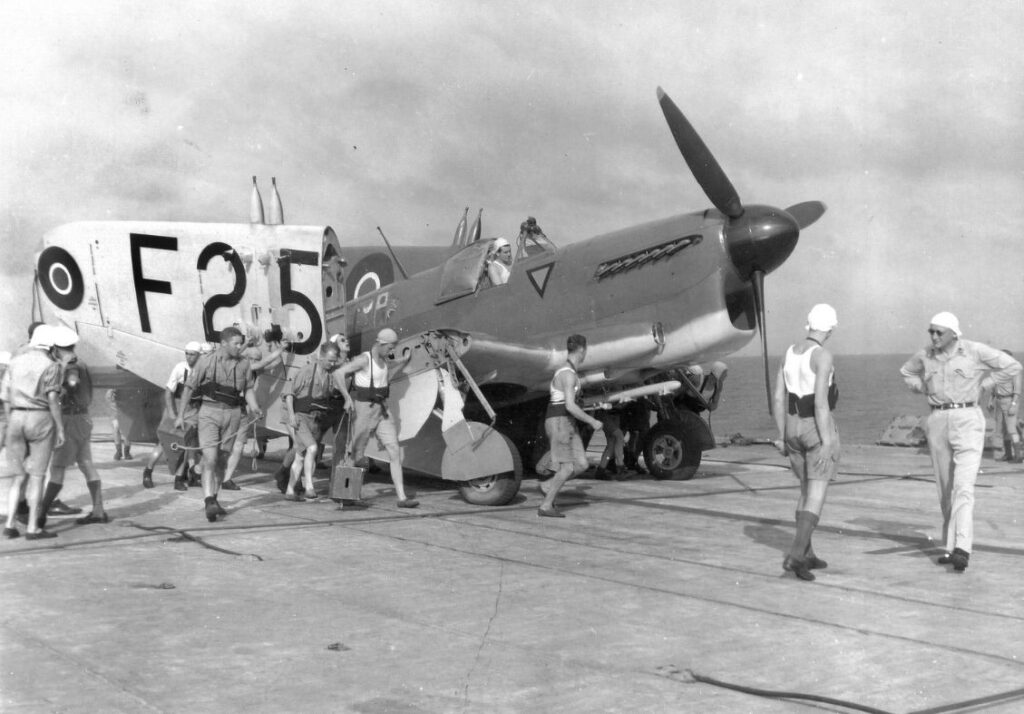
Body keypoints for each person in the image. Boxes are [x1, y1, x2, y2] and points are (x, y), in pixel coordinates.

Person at [900, 312, 1021, 572]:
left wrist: (987, 383)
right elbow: (906, 372)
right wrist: (919, 386)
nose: (933, 336)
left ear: (954, 334)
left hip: (968, 418)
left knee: (963, 486)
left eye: (938, 332)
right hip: (937, 420)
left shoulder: (974, 351)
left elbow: (1012, 366)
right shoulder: (925, 355)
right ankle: (949, 546)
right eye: (930, 331)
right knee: (945, 489)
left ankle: (962, 549)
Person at [773, 304, 840, 582]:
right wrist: (827, 441)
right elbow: (822, 404)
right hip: (814, 425)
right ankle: (796, 555)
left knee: (804, 490)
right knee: (816, 493)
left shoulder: (788, 353)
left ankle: (808, 554)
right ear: (831, 329)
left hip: (791, 426)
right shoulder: (822, 355)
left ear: (809, 324)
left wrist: (781, 435)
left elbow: (778, 397)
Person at [177, 326, 263, 522]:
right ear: (224, 343)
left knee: (223, 460)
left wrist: (255, 407)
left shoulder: (244, 365)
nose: (240, 346)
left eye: (241, 343)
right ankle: (208, 501)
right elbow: (189, 388)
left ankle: (214, 498)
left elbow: (248, 389)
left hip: (233, 414)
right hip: (209, 413)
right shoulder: (205, 362)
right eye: (237, 343)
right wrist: (181, 415)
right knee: (210, 458)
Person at [335, 328, 418, 508]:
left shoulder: (385, 360)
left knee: (394, 450)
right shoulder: (364, 360)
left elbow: (390, 366)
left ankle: (402, 498)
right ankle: (345, 495)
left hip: (382, 409)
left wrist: (403, 360)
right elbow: (338, 373)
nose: (391, 351)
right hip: (364, 409)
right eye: (390, 347)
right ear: (380, 344)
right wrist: (347, 398)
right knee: (356, 453)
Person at [2, 325, 67, 539]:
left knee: (18, 476)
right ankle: (32, 528)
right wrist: (59, 427)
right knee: (38, 476)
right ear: (51, 344)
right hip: (40, 418)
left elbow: (5, 396)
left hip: (16, 417)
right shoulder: (52, 365)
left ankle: (10, 525)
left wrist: (12, 418)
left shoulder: (14, 361)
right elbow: (52, 399)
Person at [38, 329, 109, 527]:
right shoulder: (81, 361)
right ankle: (98, 511)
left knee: (58, 467)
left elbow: (72, 381)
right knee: (86, 463)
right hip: (83, 418)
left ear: (57, 348)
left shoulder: (70, 364)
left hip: (70, 419)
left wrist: (62, 389)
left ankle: (41, 513)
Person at [537, 334, 603, 518]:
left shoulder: (570, 372)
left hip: (567, 421)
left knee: (581, 464)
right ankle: (546, 506)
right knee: (567, 468)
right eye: (586, 350)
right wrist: (592, 421)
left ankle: (548, 485)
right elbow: (570, 405)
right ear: (582, 350)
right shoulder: (567, 374)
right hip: (560, 421)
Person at [220, 336, 288, 490]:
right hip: (229, 409)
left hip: (241, 409)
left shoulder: (245, 366)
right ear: (246, 358)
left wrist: (277, 347)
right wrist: (281, 349)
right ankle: (209, 472)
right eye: (252, 358)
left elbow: (273, 363)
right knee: (227, 445)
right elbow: (265, 362)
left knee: (238, 445)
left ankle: (226, 478)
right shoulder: (242, 366)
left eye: (256, 358)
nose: (254, 361)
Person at [282, 342, 343, 501]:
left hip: (316, 419)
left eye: (334, 361)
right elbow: (289, 394)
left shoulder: (330, 376)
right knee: (313, 447)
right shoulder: (307, 371)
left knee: (301, 456)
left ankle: (289, 490)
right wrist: (291, 415)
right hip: (300, 417)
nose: (332, 364)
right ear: (321, 357)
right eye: (329, 360)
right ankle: (309, 487)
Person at [142, 341, 203, 490]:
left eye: (192, 354)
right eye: (187, 354)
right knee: (164, 442)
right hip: (176, 406)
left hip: (193, 410)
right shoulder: (180, 368)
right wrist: (171, 413)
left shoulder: (203, 370)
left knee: (185, 444)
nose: (189, 357)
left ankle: (179, 478)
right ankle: (148, 471)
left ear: (199, 355)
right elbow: (168, 391)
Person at [982, 350, 1022, 463]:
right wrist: (990, 401)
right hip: (999, 401)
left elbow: (1017, 391)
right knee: (1001, 429)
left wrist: (1013, 404)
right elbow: (994, 388)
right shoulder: (998, 371)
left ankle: (1018, 456)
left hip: (1009, 401)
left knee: (1011, 429)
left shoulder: (1015, 371)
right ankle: (1008, 455)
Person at [105, 388, 133, 460]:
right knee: (116, 428)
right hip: (116, 413)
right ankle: (119, 452)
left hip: (126, 413)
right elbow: (109, 400)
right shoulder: (110, 392)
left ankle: (125, 452)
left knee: (126, 432)